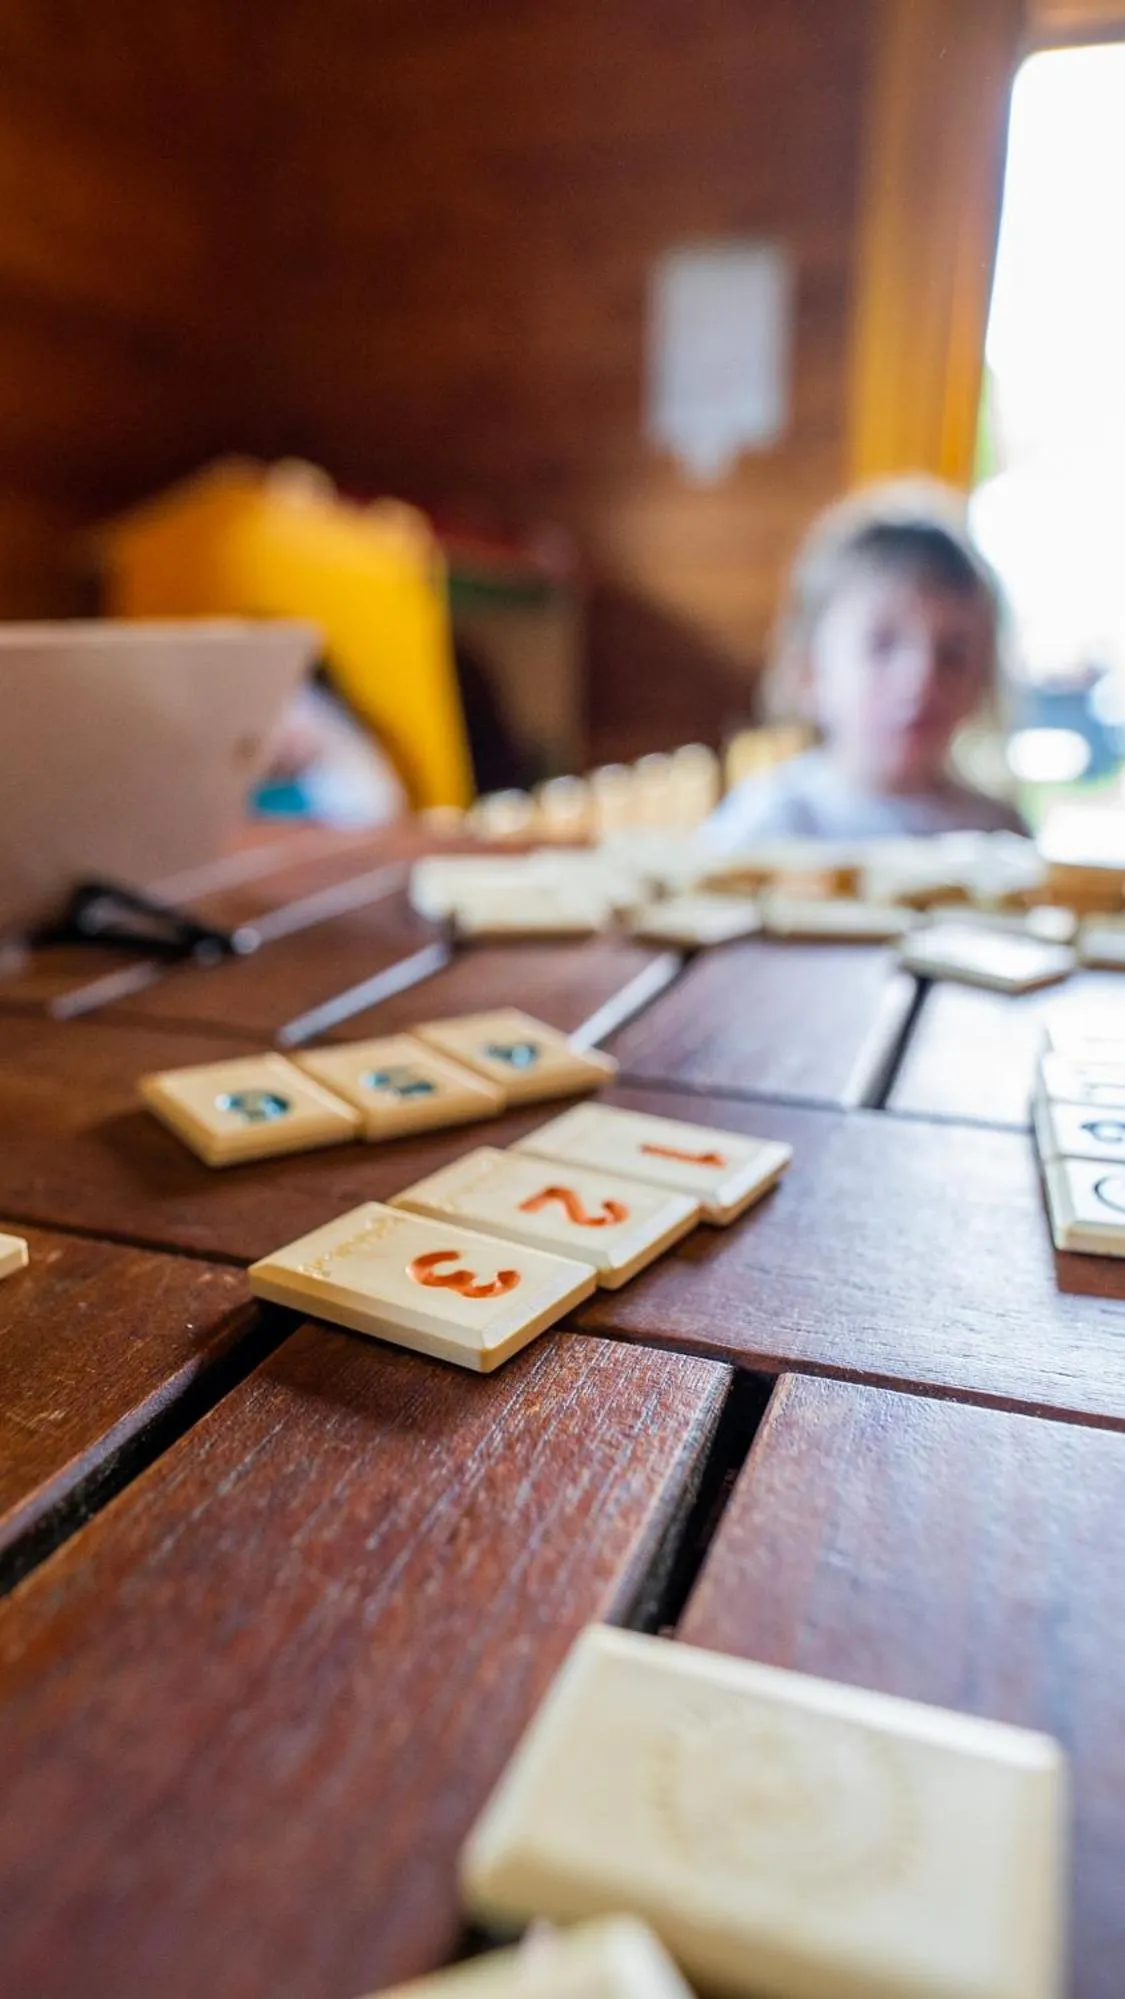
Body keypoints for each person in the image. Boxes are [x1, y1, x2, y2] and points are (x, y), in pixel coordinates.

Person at [706, 481, 1026, 846]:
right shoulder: (766, 826)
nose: (921, 679)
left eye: (952, 653)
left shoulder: (998, 834)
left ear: (982, 679)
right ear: (810, 671)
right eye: (882, 644)